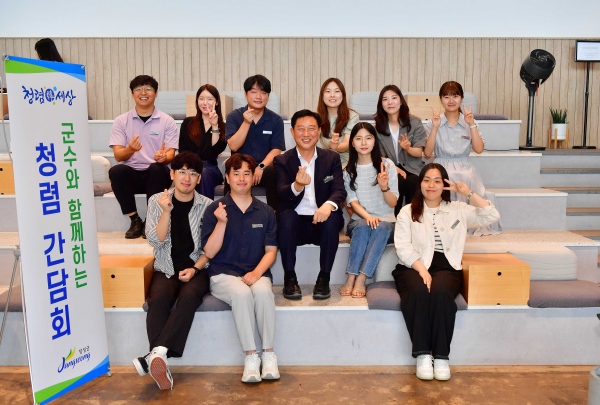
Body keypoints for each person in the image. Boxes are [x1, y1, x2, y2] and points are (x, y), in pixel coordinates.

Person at [393, 163, 500, 381]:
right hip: (413, 266)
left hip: (447, 268)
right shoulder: (407, 211)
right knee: (418, 291)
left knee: (441, 293)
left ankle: (441, 356)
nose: (431, 185)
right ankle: (423, 354)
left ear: (444, 185)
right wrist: (422, 270)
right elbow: (402, 247)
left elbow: (491, 216)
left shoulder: (458, 209)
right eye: (426, 180)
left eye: (437, 181)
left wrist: (468, 193)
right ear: (420, 184)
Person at [132, 152, 212, 390]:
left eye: (193, 173)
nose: (187, 178)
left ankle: (154, 355)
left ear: (199, 179)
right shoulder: (157, 201)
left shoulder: (207, 205)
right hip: (166, 267)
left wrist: (195, 269)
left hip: (196, 268)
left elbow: (210, 248)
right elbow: (155, 241)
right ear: (172, 175)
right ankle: (160, 360)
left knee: (190, 296)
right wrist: (166, 211)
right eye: (182, 172)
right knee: (157, 299)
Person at [201, 153, 280, 383]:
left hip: (257, 271)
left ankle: (269, 355)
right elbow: (209, 252)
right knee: (242, 293)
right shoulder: (215, 209)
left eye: (247, 173)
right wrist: (221, 223)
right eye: (236, 174)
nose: (242, 178)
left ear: (253, 177)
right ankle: (251, 357)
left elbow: (271, 251)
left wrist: (256, 273)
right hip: (223, 275)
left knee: (263, 292)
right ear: (227, 177)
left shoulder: (266, 211)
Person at [274, 110, 346, 300]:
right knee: (286, 218)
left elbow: (339, 190)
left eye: (311, 129)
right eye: (301, 129)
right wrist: (297, 185)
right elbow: (280, 192)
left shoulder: (331, 158)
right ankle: (290, 278)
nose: (306, 134)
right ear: (292, 132)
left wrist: (327, 206)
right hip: (295, 224)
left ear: (319, 131)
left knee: (332, 220)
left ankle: (324, 278)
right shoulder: (282, 160)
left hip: (321, 221)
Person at [423, 81, 500, 235]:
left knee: (464, 177)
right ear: (440, 99)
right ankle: (443, 225)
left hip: (464, 165)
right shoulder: (434, 122)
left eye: (455, 96)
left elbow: (478, 149)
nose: (451, 101)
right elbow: (427, 153)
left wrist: (471, 125)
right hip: (441, 163)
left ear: (461, 98)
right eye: (446, 97)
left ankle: (462, 224)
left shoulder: (469, 121)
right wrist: (435, 128)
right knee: (446, 177)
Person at [109, 75, 178, 239]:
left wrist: (163, 157)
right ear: (132, 94)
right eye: (138, 89)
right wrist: (130, 149)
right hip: (132, 175)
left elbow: (171, 153)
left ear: (156, 93)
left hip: (156, 176)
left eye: (148, 89)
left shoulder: (167, 121)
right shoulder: (121, 121)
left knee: (157, 168)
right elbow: (118, 155)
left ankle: (150, 219)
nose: (143, 93)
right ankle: (135, 220)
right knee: (116, 171)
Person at [340, 122, 398, 298]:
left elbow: (393, 203)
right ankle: (351, 276)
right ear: (352, 143)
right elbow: (353, 202)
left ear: (375, 141)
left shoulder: (386, 165)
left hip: (387, 223)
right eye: (358, 138)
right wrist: (368, 217)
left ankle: (361, 278)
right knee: (364, 225)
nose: (364, 143)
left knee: (381, 226)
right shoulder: (348, 171)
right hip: (359, 221)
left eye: (368, 138)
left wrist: (384, 187)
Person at [225, 75, 285, 209]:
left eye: (263, 92)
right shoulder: (234, 116)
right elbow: (233, 146)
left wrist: (261, 167)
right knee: (233, 170)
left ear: (268, 96)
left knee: (275, 171)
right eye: (253, 92)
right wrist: (246, 123)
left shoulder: (275, 120)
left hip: (264, 168)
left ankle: (275, 214)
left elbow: (276, 149)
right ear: (245, 94)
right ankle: (229, 213)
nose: (258, 96)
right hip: (241, 167)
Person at [374, 85, 427, 213]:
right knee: (396, 180)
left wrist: (408, 148)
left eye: (394, 98)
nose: (390, 102)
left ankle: (413, 218)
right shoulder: (378, 127)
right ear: (381, 104)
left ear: (401, 101)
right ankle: (395, 219)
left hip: (412, 167)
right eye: (385, 99)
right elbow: (380, 156)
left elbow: (418, 152)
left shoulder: (414, 122)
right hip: (390, 167)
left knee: (413, 182)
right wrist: (394, 168)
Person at [178, 84, 227, 200]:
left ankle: (205, 211)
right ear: (197, 101)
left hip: (210, 169)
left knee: (204, 173)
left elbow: (214, 151)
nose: (205, 103)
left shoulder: (223, 126)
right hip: (189, 167)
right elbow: (182, 152)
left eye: (209, 99)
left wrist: (214, 126)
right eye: (201, 99)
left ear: (216, 102)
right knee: (187, 175)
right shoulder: (188, 123)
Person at [316, 78, 360, 168]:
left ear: (343, 96)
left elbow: (347, 144)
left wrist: (335, 146)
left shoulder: (352, 116)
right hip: (326, 162)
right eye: (328, 91)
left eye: (336, 91)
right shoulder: (317, 118)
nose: (332, 95)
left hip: (347, 163)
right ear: (322, 96)